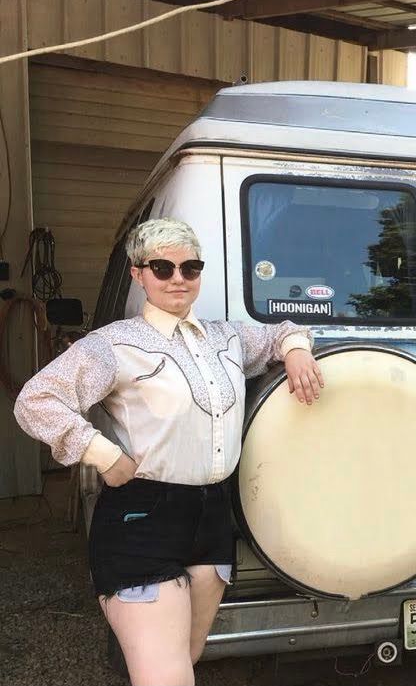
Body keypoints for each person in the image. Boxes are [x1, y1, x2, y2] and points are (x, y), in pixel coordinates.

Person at [14, 218, 324, 686]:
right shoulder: (114, 344)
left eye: (190, 267)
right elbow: (36, 400)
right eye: (162, 268)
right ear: (138, 274)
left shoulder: (225, 338)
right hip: (142, 517)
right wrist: (102, 453)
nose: (178, 278)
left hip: (212, 514)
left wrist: (297, 350)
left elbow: (283, 331)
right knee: (165, 676)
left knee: (187, 657)